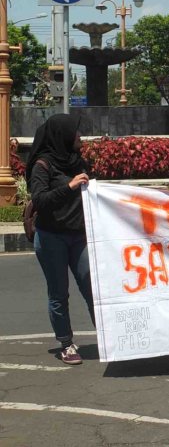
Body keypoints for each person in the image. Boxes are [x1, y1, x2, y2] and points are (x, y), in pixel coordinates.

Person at [28, 114, 95, 365]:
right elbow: (41, 200)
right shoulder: (42, 165)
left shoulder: (78, 162)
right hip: (51, 238)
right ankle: (66, 344)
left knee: (92, 287)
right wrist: (69, 187)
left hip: (79, 237)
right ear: (63, 136)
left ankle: (110, 337)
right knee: (59, 293)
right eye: (75, 133)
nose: (79, 137)